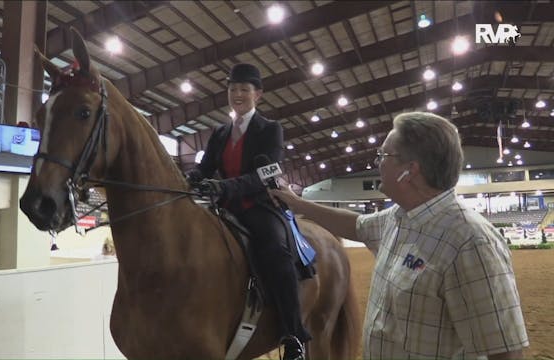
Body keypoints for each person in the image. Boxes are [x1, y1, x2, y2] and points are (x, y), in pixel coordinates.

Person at [270, 112, 529, 360]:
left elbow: (505, 350)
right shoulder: (400, 217)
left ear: (410, 170)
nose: (378, 162)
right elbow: (357, 225)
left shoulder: (470, 241)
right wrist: (297, 204)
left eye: (384, 155)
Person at [185, 63, 309, 360]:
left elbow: (265, 173)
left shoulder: (271, 130)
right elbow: (204, 168)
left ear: (258, 95)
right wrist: (190, 178)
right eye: (232, 89)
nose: (237, 94)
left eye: (243, 89)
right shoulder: (219, 133)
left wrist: (224, 187)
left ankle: (294, 335)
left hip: (257, 206)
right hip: (223, 207)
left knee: (277, 253)